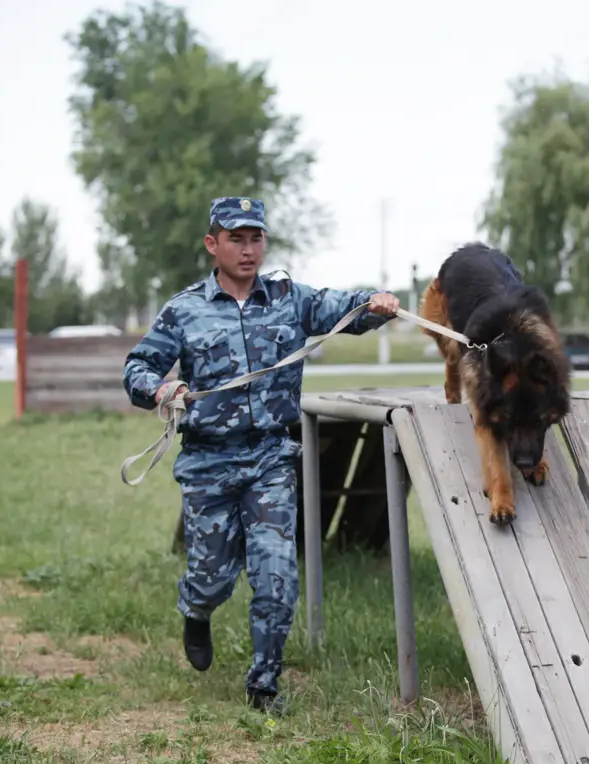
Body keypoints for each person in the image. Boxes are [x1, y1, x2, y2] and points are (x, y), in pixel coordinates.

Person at [122, 196, 400, 713]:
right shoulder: (185, 309)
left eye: (256, 239)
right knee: (212, 577)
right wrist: (161, 391)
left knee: (277, 574)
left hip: (271, 458)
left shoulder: (290, 299)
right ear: (213, 244)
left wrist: (376, 302)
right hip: (208, 463)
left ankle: (263, 685)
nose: (248, 250)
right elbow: (137, 368)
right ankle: (196, 610)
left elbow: (346, 309)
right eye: (236, 239)